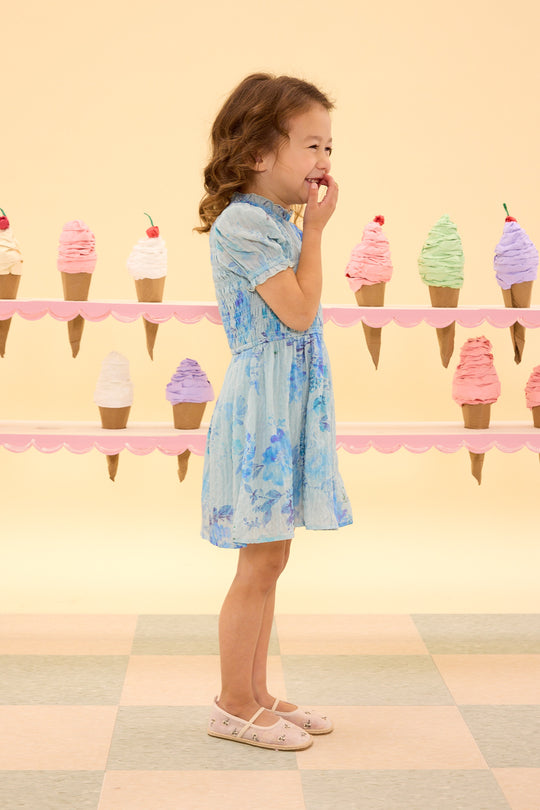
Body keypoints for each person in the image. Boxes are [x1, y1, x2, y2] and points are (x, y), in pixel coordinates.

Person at [196, 72, 352, 751]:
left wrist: (304, 228)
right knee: (257, 563)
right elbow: (298, 311)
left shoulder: (274, 221)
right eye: (311, 145)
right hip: (262, 408)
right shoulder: (244, 224)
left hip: (286, 401)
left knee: (273, 557)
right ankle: (232, 702)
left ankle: (256, 692)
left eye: (329, 147)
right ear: (260, 153)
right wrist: (315, 233)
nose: (324, 160)